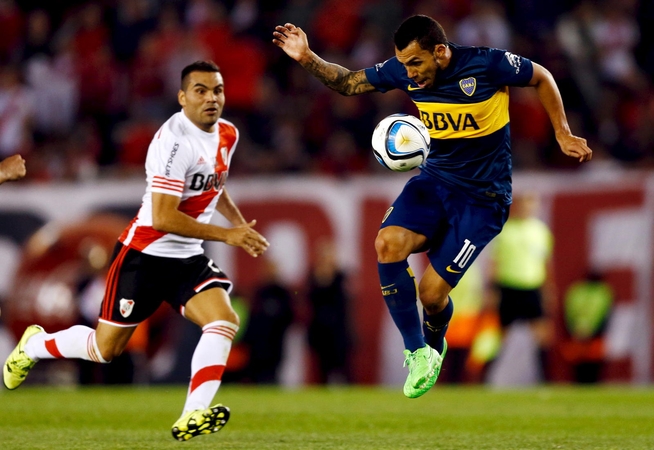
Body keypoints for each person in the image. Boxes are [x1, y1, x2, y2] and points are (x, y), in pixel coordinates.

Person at [273, 15, 592, 398]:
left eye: (415, 63)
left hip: (483, 198)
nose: (409, 73)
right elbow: (348, 82)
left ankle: (434, 344)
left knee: (431, 294)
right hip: (435, 181)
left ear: (440, 52)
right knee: (387, 243)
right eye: (403, 64)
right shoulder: (404, 70)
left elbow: (542, 76)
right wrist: (307, 57)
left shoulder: (486, 63)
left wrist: (562, 132)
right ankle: (417, 352)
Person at [3, 61, 270, 441]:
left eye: (218, 90)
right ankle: (35, 344)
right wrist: (227, 236)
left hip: (186, 257)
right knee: (104, 349)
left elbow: (215, 183)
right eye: (201, 90)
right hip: (144, 255)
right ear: (182, 97)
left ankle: (193, 414)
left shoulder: (228, 133)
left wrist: (239, 225)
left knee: (223, 320)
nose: (211, 98)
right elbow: (163, 217)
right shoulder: (172, 142)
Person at [487, 191, 555, 382]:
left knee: (542, 336)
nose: (528, 209)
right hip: (508, 287)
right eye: (524, 205)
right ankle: (485, 379)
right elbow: (495, 262)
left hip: (532, 287)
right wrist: (492, 290)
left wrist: (548, 289)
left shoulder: (541, 231)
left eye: (531, 205)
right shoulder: (505, 231)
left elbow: (546, 263)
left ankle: (546, 380)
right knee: (499, 337)